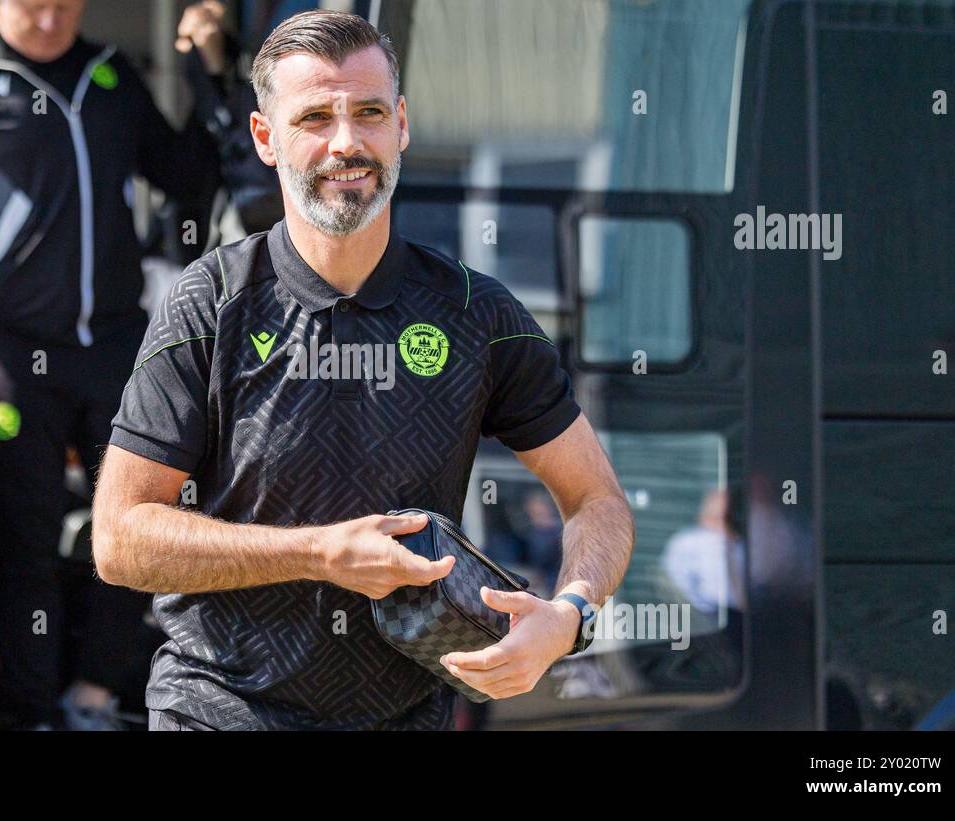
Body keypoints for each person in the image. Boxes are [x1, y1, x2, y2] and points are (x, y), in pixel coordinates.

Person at [92, 10, 636, 731]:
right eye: (314, 116)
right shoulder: (211, 302)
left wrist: (567, 617)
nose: (346, 142)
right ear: (265, 138)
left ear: (402, 124)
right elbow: (120, 537)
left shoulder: (477, 312)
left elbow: (598, 500)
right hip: (217, 711)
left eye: (369, 113)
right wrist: (319, 552)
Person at [0, 0, 276, 730]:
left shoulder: (111, 76)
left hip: (117, 347)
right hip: (8, 350)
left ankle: (94, 695)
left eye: (69, 0)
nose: (54, 14)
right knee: (24, 539)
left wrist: (210, 66)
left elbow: (190, 172)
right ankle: (29, 711)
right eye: (37, 2)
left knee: (136, 528)